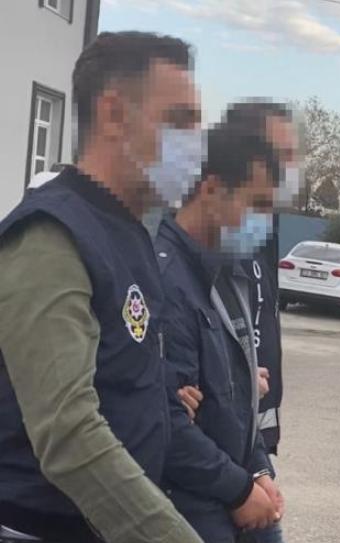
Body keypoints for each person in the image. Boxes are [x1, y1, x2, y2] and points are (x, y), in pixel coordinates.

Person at [0, 31, 204, 543]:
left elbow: (116, 369)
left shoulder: (128, 230)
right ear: (113, 114)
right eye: (180, 120)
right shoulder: (53, 235)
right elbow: (67, 433)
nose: (195, 144)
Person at [156, 114, 288, 543]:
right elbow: (168, 425)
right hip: (191, 507)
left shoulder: (230, 274)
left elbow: (234, 402)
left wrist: (259, 469)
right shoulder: (165, 280)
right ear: (211, 190)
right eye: (256, 204)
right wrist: (239, 490)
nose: (263, 223)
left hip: (235, 490)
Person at [224, 102, 301, 459]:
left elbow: (262, 313)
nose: (289, 168)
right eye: (281, 154)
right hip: (221, 432)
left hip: (257, 425)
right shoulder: (208, 228)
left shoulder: (264, 225)